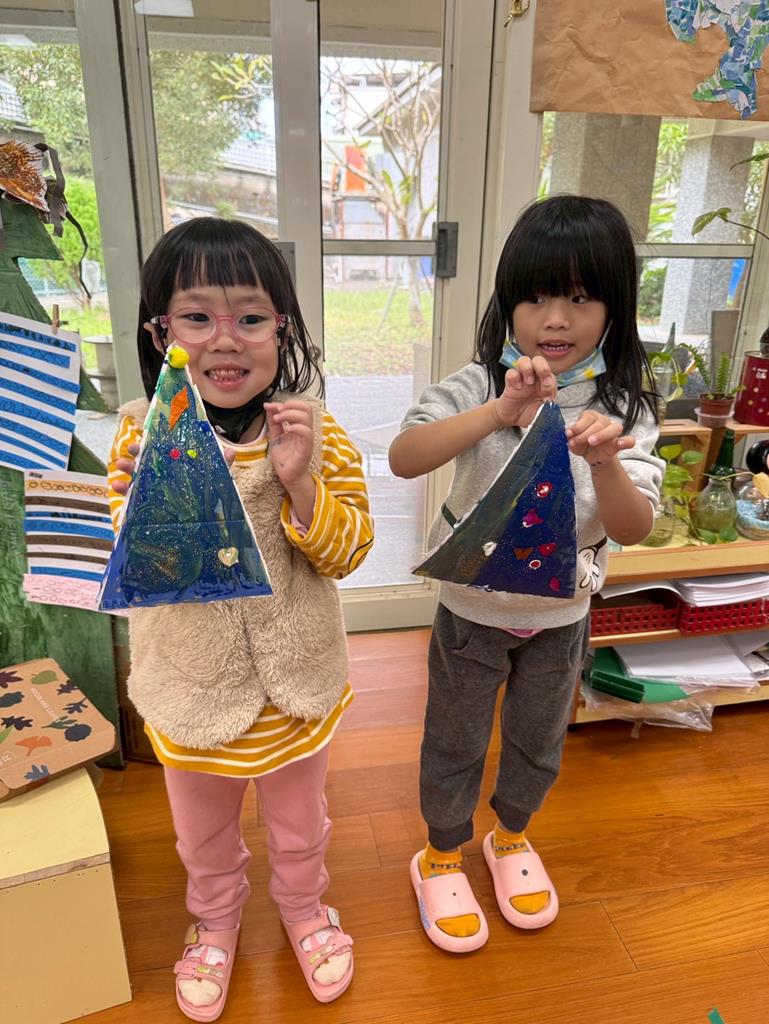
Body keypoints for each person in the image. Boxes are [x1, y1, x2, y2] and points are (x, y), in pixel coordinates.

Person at [108, 217, 373, 1019]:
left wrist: (300, 483)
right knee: (201, 836)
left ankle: (304, 909)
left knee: (300, 826)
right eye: (197, 317)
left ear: (280, 330)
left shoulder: (315, 432)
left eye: (250, 317)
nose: (225, 340)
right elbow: (129, 566)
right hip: (189, 689)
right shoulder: (140, 432)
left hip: (296, 690)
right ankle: (215, 921)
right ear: (161, 332)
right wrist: (151, 497)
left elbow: (349, 551)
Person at [389, 195, 663, 952]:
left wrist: (606, 462)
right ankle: (441, 850)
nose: (555, 319)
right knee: (455, 739)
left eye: (581, 298)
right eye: (536, 296)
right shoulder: (478, 383)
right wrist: (497, 411)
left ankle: (510, 836)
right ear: (508, 302)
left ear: (614, 309)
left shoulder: (625, 407)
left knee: (538, 741)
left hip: (561, 619)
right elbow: (405, 457)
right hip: (471, 614)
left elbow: (634, 527)